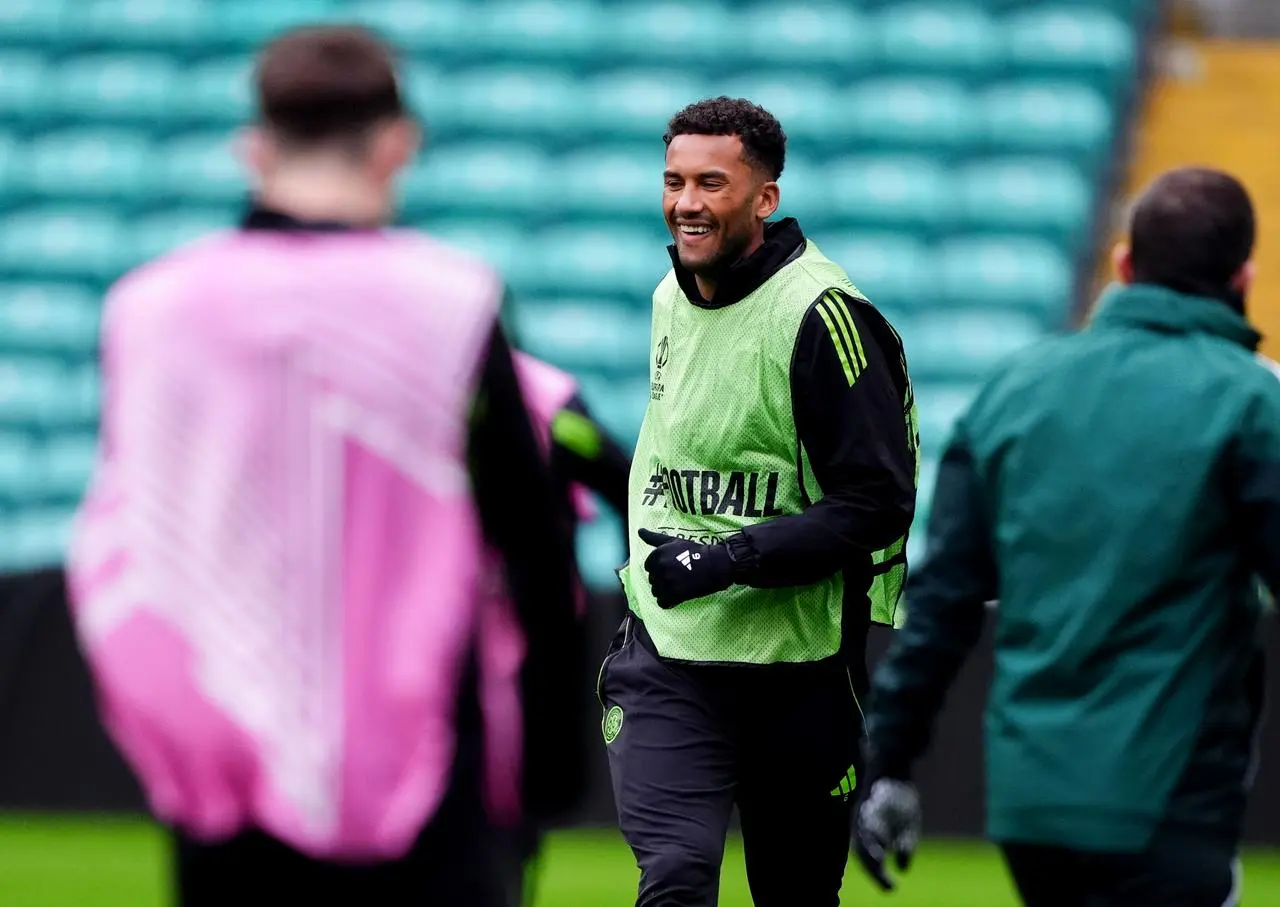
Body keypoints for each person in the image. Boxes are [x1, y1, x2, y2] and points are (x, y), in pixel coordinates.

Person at [64, 25, 584, 905]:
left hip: (227, 770)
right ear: (397, 145)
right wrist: (548, 769)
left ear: (253, 147)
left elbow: (125, 543)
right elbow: (533, 545)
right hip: (427, 774)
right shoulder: (452, 302)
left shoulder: (149, 311)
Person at [854, 167, 1273, 907]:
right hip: (1167, 801)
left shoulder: (1014, 388)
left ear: (1122, 265)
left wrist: (885, 763)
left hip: (1031, 808)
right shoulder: (1250, 399)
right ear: (1244, 276)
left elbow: (942, 603)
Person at [600, 96, 920, 907]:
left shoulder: (821, 314)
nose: (687, 203)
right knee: (673, 878)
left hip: (799, 671)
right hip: (668, 660)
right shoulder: (666, 295)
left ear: (765, 198)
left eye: (712, 182)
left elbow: (877, 502)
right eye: (674, 182)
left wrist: (723, 560)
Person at [482, 349, 632, 907]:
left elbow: (623, 483)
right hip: (466, 638)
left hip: (533, 640)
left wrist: (632, 607)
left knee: (517, 805)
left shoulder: (548, 401)